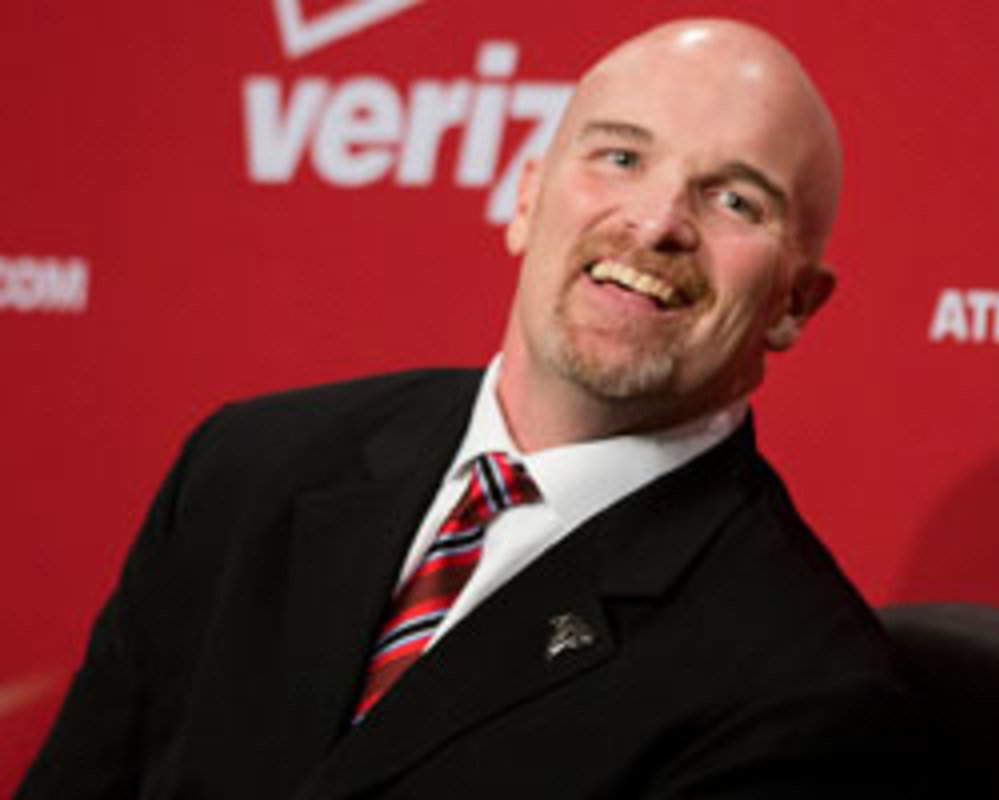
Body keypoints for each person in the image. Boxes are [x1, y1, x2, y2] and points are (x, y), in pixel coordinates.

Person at [20, 18, 929, 799]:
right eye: (620, 157)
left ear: (795, 304)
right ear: (527, 198)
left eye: (734, 200)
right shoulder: (244, 469)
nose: (656, 222)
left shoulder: (802, 685)